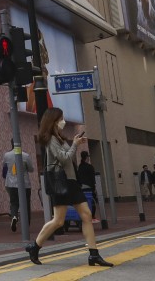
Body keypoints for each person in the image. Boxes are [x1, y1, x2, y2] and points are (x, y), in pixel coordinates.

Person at [25, 108, 112, 268]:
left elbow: (67, 156)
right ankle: (35, 246)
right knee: (58, 221)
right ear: (53, 121)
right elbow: (64, 158)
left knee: (86, 215)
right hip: (61, 182)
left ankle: (94, 254)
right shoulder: (51, 139)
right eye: (60, 119)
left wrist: (74, 142)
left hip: (71, 182)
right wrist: (75, 145)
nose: (63, 121)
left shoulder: (60, 139)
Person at [2, 142, 34, 233]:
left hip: (12, 183)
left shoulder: (7, 155)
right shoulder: (25, 155)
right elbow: (31, 169)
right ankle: (26, 225)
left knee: (14, 202)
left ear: (11, 144)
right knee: (26, 204)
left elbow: (4, 165)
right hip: (25, 184)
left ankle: (14, 216)